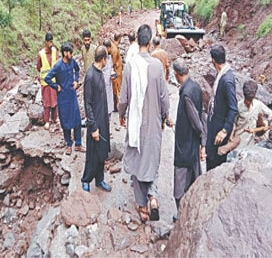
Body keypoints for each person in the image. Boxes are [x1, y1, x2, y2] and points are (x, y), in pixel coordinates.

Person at [119, 24, 169, 222]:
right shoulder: (157, 66)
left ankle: (142, 206)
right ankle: (154, 197)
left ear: (138, 40)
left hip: (136, 123)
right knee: (152, 158)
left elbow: (123, 98)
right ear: (149, 42)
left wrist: (121, 114)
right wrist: (165, 117)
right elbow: (164, 97)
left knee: (138, 159)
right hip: (154, 121)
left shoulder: (130, 66)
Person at [171, 59, 206, 219]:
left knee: (179, 189)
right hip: (192, 145)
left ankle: (182, 217)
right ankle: (192, 214)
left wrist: (202, 137)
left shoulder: (186, 94)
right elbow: (202, 114)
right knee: (193, 179)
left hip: (185, 146)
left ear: (177, 75)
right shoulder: (196, 87)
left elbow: (196, 122)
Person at [82, 45, 112, 192]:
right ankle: (86, 179)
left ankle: (100, 180)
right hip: (94, 122)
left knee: (102, 152)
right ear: (103, 59)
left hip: (103, 119)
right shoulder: (90, 76)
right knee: (92, 153)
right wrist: (93, 126)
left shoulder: (100, 72)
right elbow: (87, 104)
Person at [45, 42, 83, 155]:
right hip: (63, 98)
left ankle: (78, 143)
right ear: (65, 53)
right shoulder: (57, 66)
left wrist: (76, 81)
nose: (71, 54)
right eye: (70, 52)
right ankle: (68, 144)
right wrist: (56, 87)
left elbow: (77, 69)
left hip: (72, 95)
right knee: (65, 121)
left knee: (77, 119)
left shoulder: (72, 62)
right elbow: (47, 78)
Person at [218, 80, 272, 156]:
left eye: (250, 100)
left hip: (251, 142)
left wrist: (268, 122)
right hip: (239, 140)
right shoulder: (238, 106)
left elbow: (271, 114)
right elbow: (233, 122)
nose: (248, 102)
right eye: (247, 100)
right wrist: (231, 136)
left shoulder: (258, 105)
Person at [205, 45, 238, 171]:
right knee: (210, 157)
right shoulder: (222, 75)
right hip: (215, 123)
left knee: (216, 160)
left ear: (213, 60)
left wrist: (225, 130)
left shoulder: (227, 81)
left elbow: (233, 108)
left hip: (220, 129)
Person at [36, 32, 59, 131]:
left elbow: (57, 62)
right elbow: (38, 67)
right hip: (45, 82)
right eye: (49, 42)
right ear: (45, 42)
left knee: (55, 100)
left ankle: (54, 118)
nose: (51, 44)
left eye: (51, 42)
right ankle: (46, 121)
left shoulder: (54, 51)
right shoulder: (41, 54)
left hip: (53, 80)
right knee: (46, 102)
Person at [110, 34, 123, 111]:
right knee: (116, 90)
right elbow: (113, 62)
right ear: (119, 39)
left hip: (118, 70)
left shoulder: (114, 45)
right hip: (117, 72)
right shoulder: (114, 49)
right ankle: (116, 106)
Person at [102, 39, 115, 114]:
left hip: (109, 83)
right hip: (102, 82)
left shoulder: (109, 57)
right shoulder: (101, 58)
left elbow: (111, 68)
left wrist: (112, 73)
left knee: (109, 103)